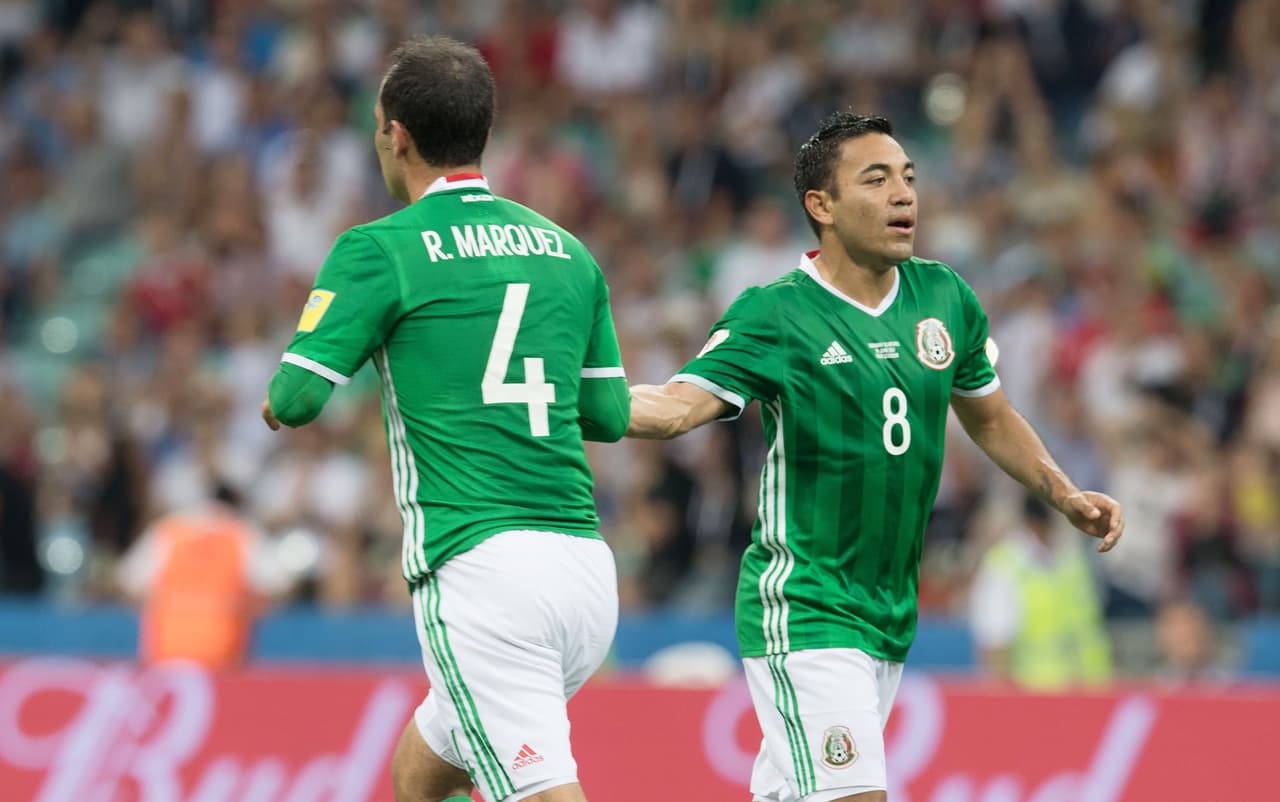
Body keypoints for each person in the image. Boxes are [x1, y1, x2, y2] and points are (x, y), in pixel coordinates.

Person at [626, 112, 1124, 802]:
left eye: (909, 178)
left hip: (888, 613)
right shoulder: (775, 314)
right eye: (877, 178)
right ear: (821, 206)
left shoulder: (944, 297)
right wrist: (562, 402)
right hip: (804, 602)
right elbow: (678, 406)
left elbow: (992, 415)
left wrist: (1064, 493)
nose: (904, 195)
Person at [261, 37, 629, 802]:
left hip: (483, 574)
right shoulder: (568, 251)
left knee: (541, 789)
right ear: (483, 132)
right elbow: (609, 414)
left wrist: (275, 396)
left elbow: (295, 401)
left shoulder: (379, 249)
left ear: (396, 133)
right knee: (420, 773)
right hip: (585, 573)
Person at [116, 484, 288, 669]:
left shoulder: (167, 531)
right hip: (225, 658)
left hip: (169, 655)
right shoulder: (243, 533)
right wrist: (247, 607)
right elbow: (280, 588)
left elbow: (126, 583)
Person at [968, 493, 1113, 691]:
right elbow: (995, 648)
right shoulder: (1004, 567)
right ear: (1038, 522)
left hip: (1090, 691)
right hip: (1035, 697)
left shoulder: (1072, 557)